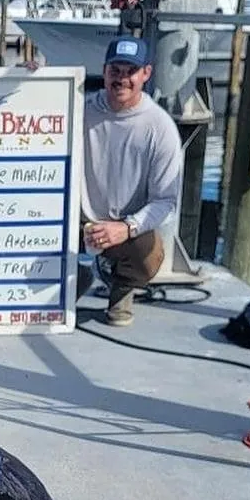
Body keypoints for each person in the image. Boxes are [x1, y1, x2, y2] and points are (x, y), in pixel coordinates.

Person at [81, 36, 182, 327]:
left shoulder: (160, 127)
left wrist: (126, 228)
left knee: (149, 254)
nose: (122, 79)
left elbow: (165, 201)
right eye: (116, 71)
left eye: (130, 72)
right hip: (78, 221)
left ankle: (121, 287)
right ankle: (79, 273)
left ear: (146, 74)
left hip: (123, 227)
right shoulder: (80, 110)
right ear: (104, 71)